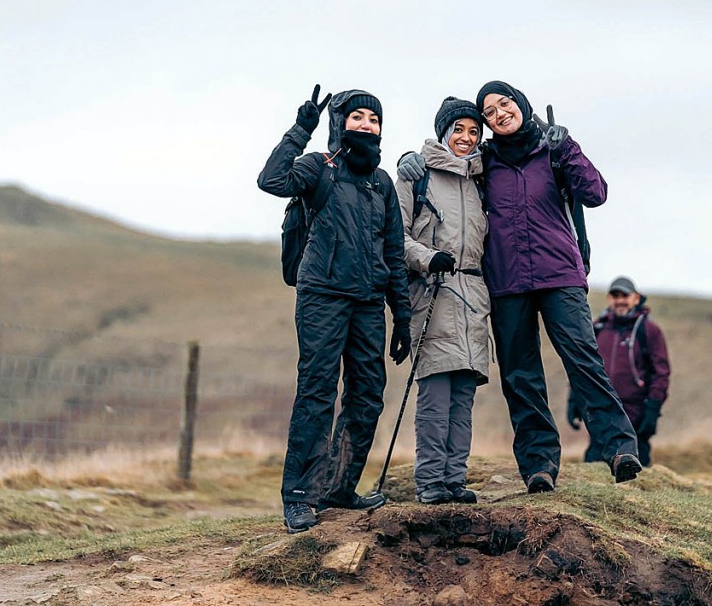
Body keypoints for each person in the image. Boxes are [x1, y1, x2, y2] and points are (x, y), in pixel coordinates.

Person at [398, 81, 641, 493]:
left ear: (521, 105)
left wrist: (569, 148)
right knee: (520, 375)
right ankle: (539, 465)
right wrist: (411, 158)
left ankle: (619, 448)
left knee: (584, 360)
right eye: (489, 112)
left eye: (504, 104)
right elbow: (447, 165)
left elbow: (595, 193)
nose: (498, 114)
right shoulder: (484, 161)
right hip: (507, 282)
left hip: (559, 275)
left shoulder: (554, 150)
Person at [258, 85, 412, 533]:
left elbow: (395, 253)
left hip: (368, 302)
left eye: (374, 119)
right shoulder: (317, 167)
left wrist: (400, 315)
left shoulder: (381, 183)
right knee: (318, 393)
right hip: (322, 296)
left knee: (367, 394)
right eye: (357, 117)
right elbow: (271, 180)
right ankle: (300, 497)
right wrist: (301, 128)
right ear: (339, 121)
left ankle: (339, 487)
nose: (367, 125)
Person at [395, 97, 490, 505]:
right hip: (432, 293)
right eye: (458, 130)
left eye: (473, 131)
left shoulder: (482, 180)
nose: (466, 139)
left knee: (463, 397)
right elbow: (393, 238)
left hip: (474, 299)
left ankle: (455, 480)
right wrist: (427, 257)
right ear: (443, 132)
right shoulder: (416, 177)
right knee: (435, 395)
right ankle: (431, 482)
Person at [567, 276, 671, 467]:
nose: (620, 300)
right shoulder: (597, 328)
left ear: (636, 298)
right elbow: (582, 368)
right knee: (594, 470)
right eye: (615, 295)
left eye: (625, 295)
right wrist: (574, 399)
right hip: (601, 411)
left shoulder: (649, 330)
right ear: (609, 298)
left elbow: (661, 373)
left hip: (636, 414)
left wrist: (653, 408)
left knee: (636, 473)